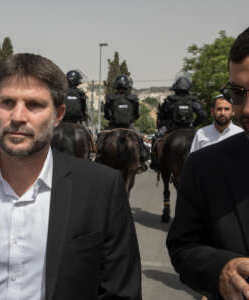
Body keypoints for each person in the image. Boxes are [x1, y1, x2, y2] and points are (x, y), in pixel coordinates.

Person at [0, 53, 142, 300]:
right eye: (8, 103)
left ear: (58, 114)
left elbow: (121, 292)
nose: (17, 117)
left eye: (34, 105)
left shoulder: (101, 189)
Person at [167, 27, 249, 300]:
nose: (245, 109)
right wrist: (221, 270)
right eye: (238, 93)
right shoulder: (204, 165)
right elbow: (184, 248)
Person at [150, 74, 206, 170]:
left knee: (156, 138)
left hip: (171, 127)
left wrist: (165, 123)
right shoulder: (193, 100)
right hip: (190, 128)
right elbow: (202, 115)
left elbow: (162, 115)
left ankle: (156, 163)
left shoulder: (170, 100)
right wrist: (194, 124)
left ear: (175, 88)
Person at [104, 74, 149, 171]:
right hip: (129, 126)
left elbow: (106, 114)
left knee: (101, 138)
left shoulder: (110, 98)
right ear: (127, 86)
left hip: (113, 126)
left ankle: (98, 158)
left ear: (116, 85)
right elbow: (136, 114)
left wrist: (111, 119)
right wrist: (131, 119)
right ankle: (141, 161)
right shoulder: (133, 98)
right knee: (139, 140)